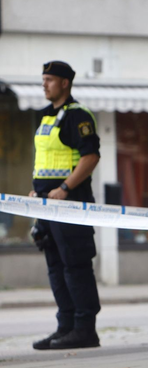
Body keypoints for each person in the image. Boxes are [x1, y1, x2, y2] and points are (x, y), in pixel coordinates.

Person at [29, 61, 102, 350]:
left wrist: (64, 188)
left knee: (76, 266)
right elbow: (45, 163)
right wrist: (38, 192)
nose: (44, 84)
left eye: (50, 79)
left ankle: (85, 329)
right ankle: (65, 327)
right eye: (43, 79)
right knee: (56, 267)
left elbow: (91, 156)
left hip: (70, 204)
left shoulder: (77, 115)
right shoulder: (47, 117)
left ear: (64, 83)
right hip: (46, 206)